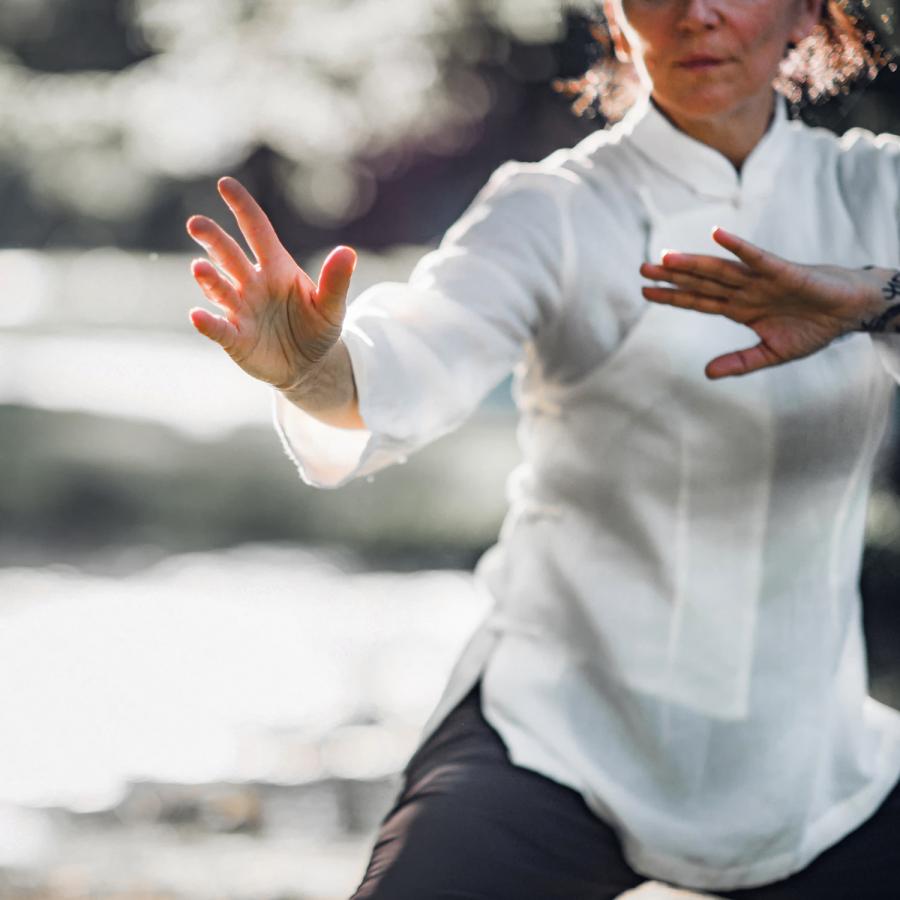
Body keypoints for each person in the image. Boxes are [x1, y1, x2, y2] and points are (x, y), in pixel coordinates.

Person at [184, 0, 900, 896]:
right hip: (553, 731)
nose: (698, 13)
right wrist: (313, 369)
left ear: (804, 12)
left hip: (811, 763)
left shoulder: (877, 192)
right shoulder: (552, 207)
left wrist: (879, 302)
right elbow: (415, 355)